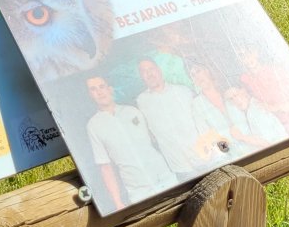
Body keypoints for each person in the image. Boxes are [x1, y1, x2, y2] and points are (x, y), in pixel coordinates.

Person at [83, 74, 176, 210]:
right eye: (93, 89)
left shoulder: (133, 111)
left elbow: (159, 139)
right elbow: (105, 167)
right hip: (138, 193)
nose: (99, 92)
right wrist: (117, 202)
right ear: (90, 95)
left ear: (110, 89)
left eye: (102, 86)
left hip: (167, 179)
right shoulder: (93, 126)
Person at [134, 58, 207, 178]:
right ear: (141, 77)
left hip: (204, 159)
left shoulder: (183, 91)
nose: (149, 73)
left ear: (159, 70)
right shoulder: (140, 102)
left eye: (151, 69)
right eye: (144, 71)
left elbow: (201, 121)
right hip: (180, 169)